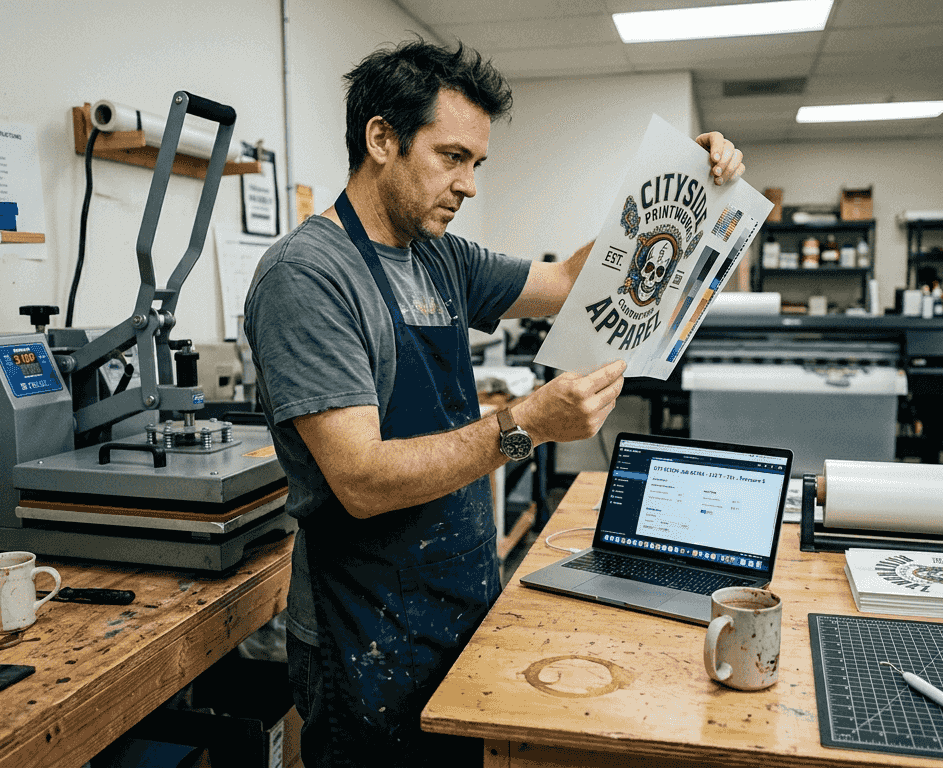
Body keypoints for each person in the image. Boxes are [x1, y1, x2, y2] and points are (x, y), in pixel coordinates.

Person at [243, 38, 745, 767]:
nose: (469, 185)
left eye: (476, 163)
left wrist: (680, 189)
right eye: (452, 157)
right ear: (381, 139)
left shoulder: (440, 254)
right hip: (364, 628)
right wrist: (525, 426)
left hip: (457, 594)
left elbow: (569, 281)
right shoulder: (309, 276)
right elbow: (361, 480)